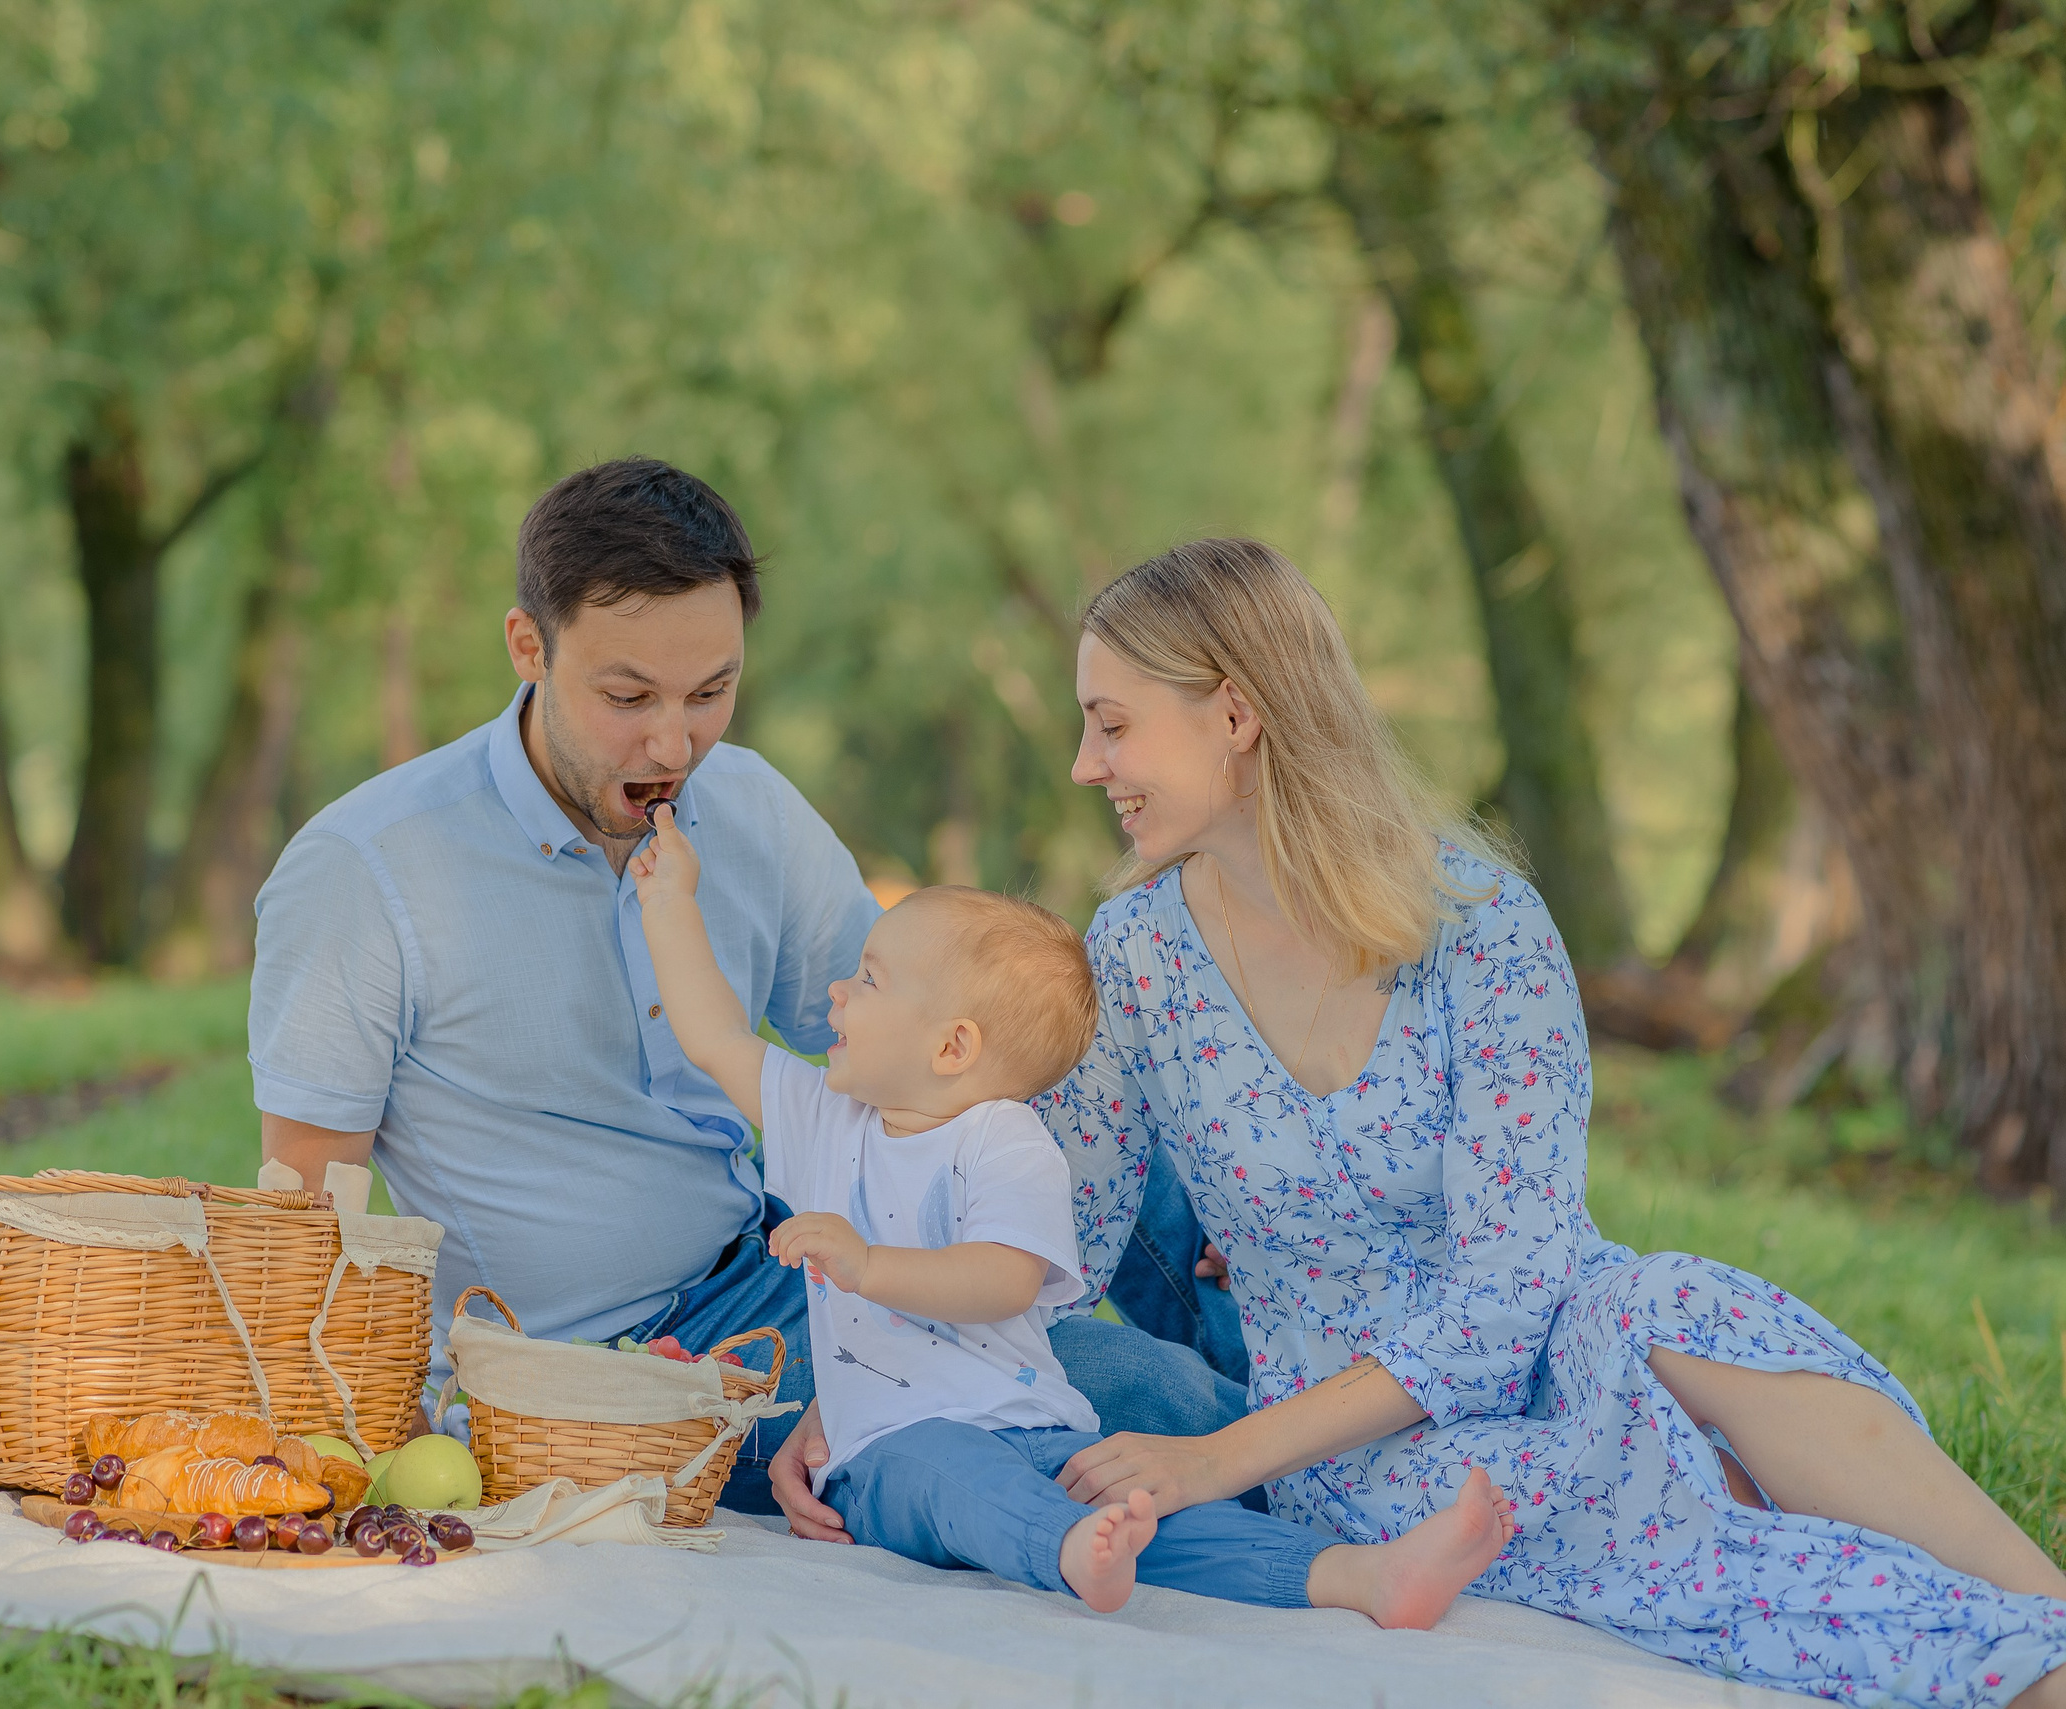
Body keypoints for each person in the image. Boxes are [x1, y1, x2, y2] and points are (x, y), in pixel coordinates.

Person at [1026, 537, 2066, 1707]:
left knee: (1679, 1295)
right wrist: (871, 1384)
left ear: (1234, 714)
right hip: (1362, 1438)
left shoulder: (1480, 924)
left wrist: (1208, 1461)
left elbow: (1511, 1294)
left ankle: (2047, 1611)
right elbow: (1052, 1243)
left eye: (1111, 724)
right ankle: (2016, 1672)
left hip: (1552, 1328)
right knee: (1634, 1500)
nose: (1084, 764)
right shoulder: (1135, 954)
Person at [247, 457, 1246, 1512]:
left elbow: (950, 1028)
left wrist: (1193, 1180)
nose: (674, 743)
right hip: (611, 1370)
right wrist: (340, 1440)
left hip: (782, 1271)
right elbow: (310, 1210)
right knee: (1142, 1397)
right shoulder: (366, 866)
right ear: (527, 647)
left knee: (1122, 1188)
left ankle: (1313, 1362)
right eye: (627, 696)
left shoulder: (747, 804)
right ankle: (1345, 1480)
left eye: (711, 692)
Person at [630, 807, 1517, 1618]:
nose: (836, 994)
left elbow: (1005, 1277)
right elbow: (712, 1034)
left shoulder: (1006, 1142)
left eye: (869, 978)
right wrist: (672, 898)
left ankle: (1359, 1575)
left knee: (1147, 1511)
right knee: (949, 1472)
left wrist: (869, 1265)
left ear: (952, 1046)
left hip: (1038, 1426)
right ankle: (1062, 1549)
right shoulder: (824, 1115)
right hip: (882, 1455)